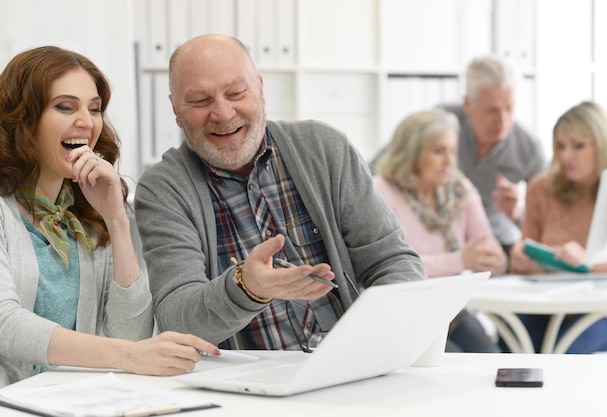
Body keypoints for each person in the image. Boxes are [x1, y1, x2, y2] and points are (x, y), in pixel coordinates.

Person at [133, 34, 426, 352]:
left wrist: (374, 340)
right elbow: (177, 319)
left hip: (355, 362)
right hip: (250, 390)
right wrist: (246, 287)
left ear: (260, 89)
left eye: (236, 93)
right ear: (176, 109)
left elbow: (392, 261)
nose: (223, 113)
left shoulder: (324, 148)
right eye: (201, 101)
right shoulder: (162, 190)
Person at [0, 46, 221, 387]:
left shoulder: (85, 218)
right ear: (23, 117)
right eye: (64, 107)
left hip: (75, 402)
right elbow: (5, 323)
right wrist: (130, 357)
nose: (86, 122)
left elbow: (129, 335)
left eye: (94, 109)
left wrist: (116, 220)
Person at [371, 55, 547, 253]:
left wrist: (519, 212)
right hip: (437, 235)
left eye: (509, 107)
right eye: (492, 110)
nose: (502, 120)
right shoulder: (442, 123)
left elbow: (548, 220)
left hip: (496, 239)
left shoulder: (529, 146)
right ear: (468, 104)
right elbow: (384, 166)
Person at [373, 108, 506, 352]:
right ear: (411, 155)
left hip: (450, 308)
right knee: (452, 367)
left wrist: (493, 258)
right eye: (438, 151)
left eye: (452, 151)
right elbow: (395, 268)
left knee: (492, 357)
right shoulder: (383, 192)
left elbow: (488, 248)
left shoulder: (460, 190)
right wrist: (461, 259)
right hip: (405, 316)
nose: (449, 162)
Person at [509, 100, 607, 353]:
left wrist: (591, 261)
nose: (566, 156)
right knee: (507, 347)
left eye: (578, 146)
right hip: (549, 304)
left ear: (602, 145)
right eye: (560, 146)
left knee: (567, 352)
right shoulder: (541, 188)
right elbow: (526, 248)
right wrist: (521, 257)